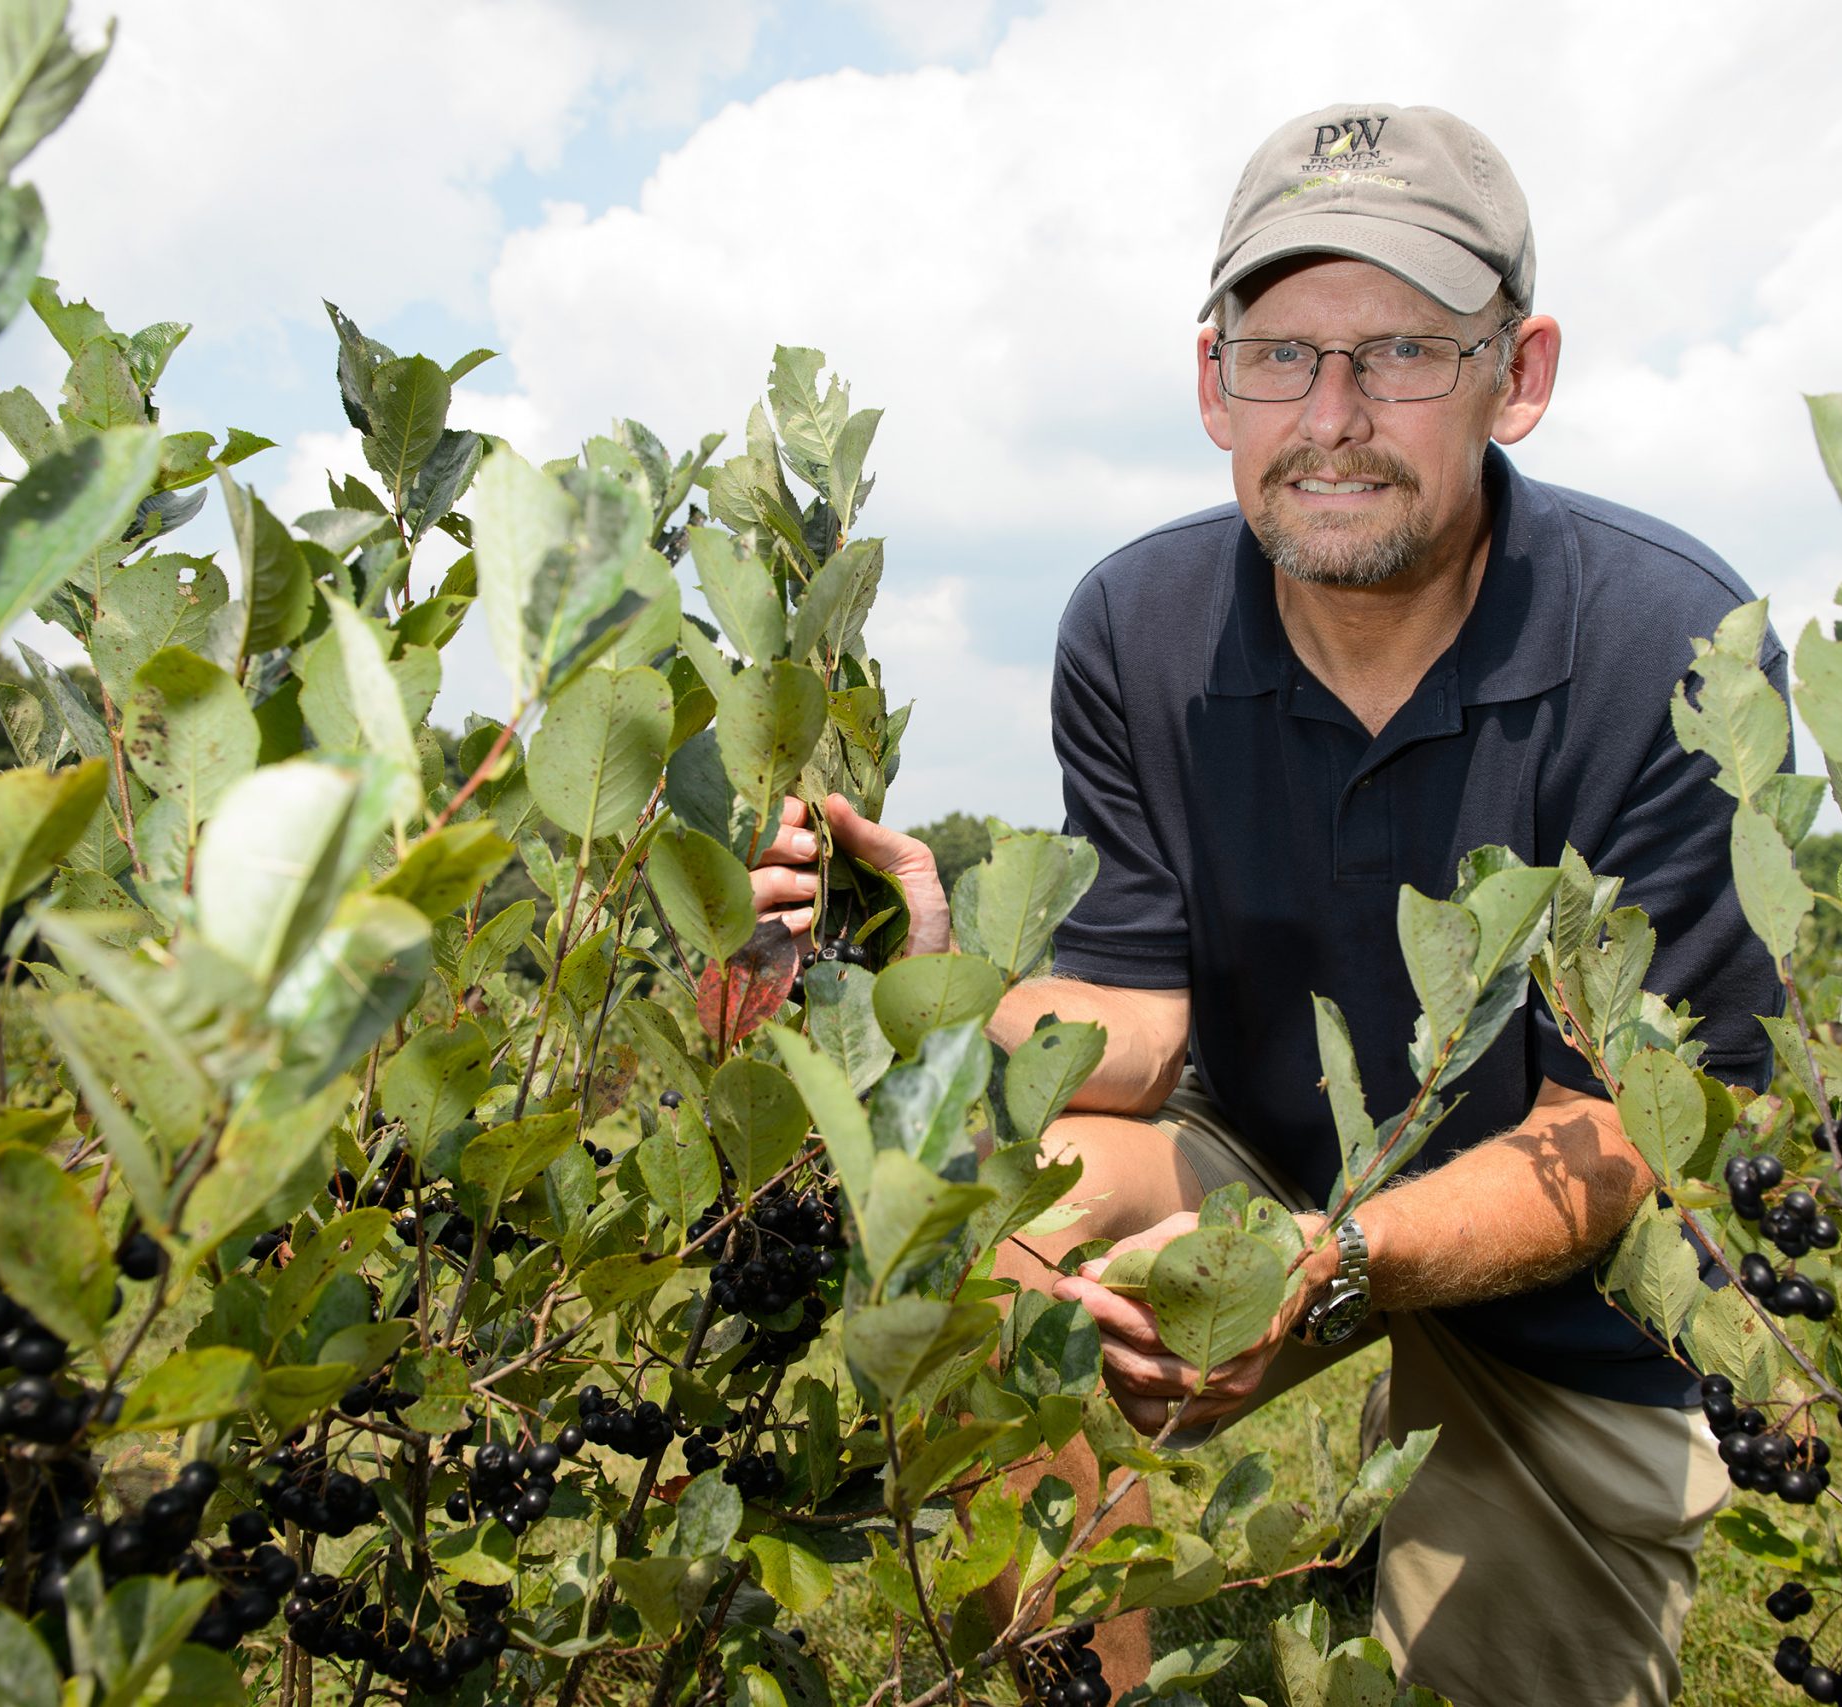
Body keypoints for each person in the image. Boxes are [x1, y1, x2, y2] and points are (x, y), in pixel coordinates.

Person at [749, 102, 1785, 1707]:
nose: (1335, 416)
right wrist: (915, 978)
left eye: (1405, 353)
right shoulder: (1137, 623)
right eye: (1281, 353)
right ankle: (1087, 1671)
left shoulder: (1678, 650)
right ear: (1211, 378)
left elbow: (1622, 1141)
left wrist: (1335, 1266)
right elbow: (1149, 1026)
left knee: (1508, 1679)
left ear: (1522, 376)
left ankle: (1455, 1486)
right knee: (959, 1218)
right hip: (1266, 1152)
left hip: (1567, 1264)